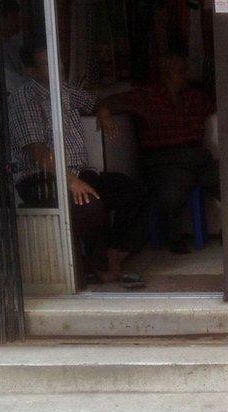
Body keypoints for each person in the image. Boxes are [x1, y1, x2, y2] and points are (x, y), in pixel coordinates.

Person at [8, 39, 150, 288]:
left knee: (132, 190)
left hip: (79, 174)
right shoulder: (25, 99)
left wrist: (103, 111)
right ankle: (94, 266)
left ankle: (112, 255)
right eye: (48, 64)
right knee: (90, 206)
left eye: (58, 62)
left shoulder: (64, 90)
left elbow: (93, 101)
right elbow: (39, 154)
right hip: (41, 178)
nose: (58, 68)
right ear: (31, 70)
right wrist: (70, 180)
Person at [102, 52, 220, 254]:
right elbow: (108, 101)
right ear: (166, 74)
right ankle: (173, 239)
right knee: (170, 195)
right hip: (165, 161)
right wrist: (104, 111)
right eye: (180, 71)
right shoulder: (146, 97)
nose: (185, 75)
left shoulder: (194, 97)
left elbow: (221, 106)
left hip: (197, 159)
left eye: (185, 70)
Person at [0, 0, 25, 95]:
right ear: (2, 19)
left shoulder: (15, 43)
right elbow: (11, 82)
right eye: (14, 18)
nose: (18, 23)